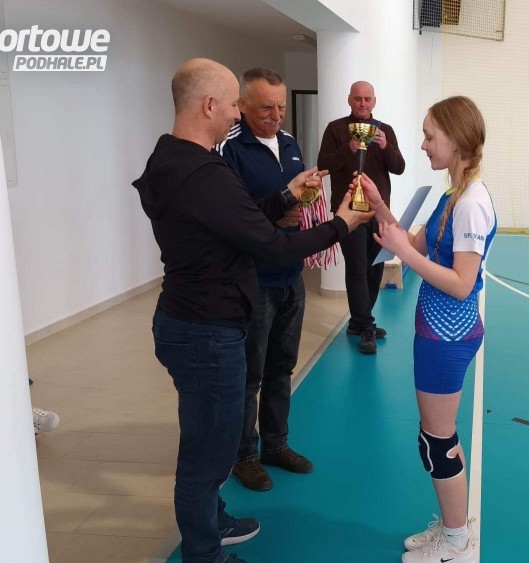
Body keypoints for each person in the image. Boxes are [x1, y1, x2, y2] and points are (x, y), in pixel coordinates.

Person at [132, 58, 372, 563]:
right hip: (205, 330)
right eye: (233, 105)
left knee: (210, 440)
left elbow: (236, 223)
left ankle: (214, 519)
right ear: (210, 105)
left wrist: (285, 196)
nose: (236, 114)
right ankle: (204, 553)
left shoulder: (171, 157)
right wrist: (342, 224)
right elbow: (271, 244)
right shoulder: (204, 172)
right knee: (207, 455)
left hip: (188, 318)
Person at [362, 95, 495, 563]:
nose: (422, 145)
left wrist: (405, 253)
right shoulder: (451, 195)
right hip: (436, 332)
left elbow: (461, 284)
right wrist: (380, 206)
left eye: (429, 136)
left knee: (437, 440)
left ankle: (456, 542)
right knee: (436, 436)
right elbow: (411, 242)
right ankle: (454, 526)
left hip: (449, 336)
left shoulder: (471, 204)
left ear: (455, 140)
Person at [217, 68, 314, 491]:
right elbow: (233, 217)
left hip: (291, 274)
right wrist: (280, 207)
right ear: (242, 105)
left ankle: (276, 444)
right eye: (265, 108)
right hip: (253, 280)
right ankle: (244, 455)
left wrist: (304, 198)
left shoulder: (289, 143)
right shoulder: (229, 149)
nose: (276, 115)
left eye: (281, 107)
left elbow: (294, 198)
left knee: (282, 367)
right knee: (250, 374)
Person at [318, 81, 406, 354]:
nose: (363, 103)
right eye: (358, 98)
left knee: (375, 268)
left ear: (374, 101)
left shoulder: (385, 130)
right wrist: (349, 148)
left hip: (379, 212)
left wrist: (385, 146)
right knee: (357, 268)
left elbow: (399, 167)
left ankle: (359, 322)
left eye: (368, 99)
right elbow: (323, 166)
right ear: (349, 100)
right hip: (349, 212)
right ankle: (366, 325)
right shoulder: (336, 129)